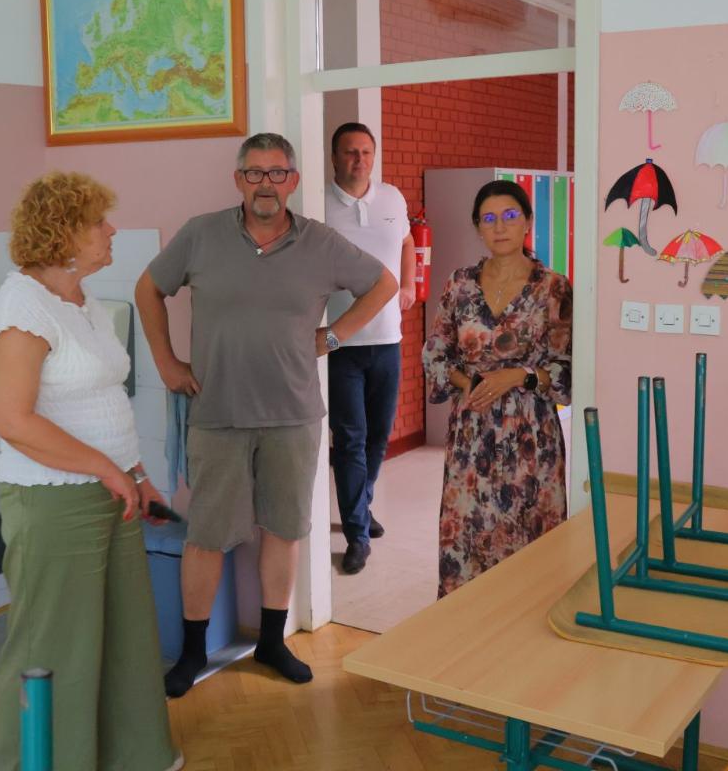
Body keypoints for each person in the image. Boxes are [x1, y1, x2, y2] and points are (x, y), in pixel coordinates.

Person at [136, 132, 398, 698]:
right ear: (238, 180)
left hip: (293, 415)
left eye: (277, 173)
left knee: (283, 529)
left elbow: (384, 284)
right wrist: (165, 362)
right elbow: (148, 289)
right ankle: (192, 652)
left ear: (293, 181)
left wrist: (334, 336)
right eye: (254, 173)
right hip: (217, 414)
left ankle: (273, 643)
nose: (265, 184)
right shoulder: (200, 234)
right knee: (206, 537)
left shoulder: (320, 242)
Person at [0, 172, 182, 771]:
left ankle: (132, 758)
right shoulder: (22, 306)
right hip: (53, 501)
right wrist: (105, 469)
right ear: (63, 232)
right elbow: (12, 419)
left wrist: (135, 473)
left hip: (109, 492)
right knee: (53, 647)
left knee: (124, 638)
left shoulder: (82, 301)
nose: (111, 230)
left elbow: (101, 403)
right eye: (98, 222)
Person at [421, 179, 572, 598]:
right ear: (478, 228)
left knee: (530, 535)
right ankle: (467, 627)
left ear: (527, 222)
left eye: (509, 216)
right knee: (469, 532)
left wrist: (519, 376)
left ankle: (528, 627)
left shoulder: (553, 287)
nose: (500, 226)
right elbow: (435, 353)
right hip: (472, 431)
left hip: (531, 436)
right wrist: (468, 381)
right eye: (489, 219)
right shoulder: (460, 284)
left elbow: (567, 367)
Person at [325, 122, 415, 574]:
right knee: (351, 440)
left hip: (388, 339)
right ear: (334, 157)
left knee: (379, 436)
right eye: (350, 152)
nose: (359, 160)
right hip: (341, 342)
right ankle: (357, 534)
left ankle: (360, 505)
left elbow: (407, 241)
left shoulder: (392, 198)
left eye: (365, 152)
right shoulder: (319, 205)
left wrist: (410, 283)